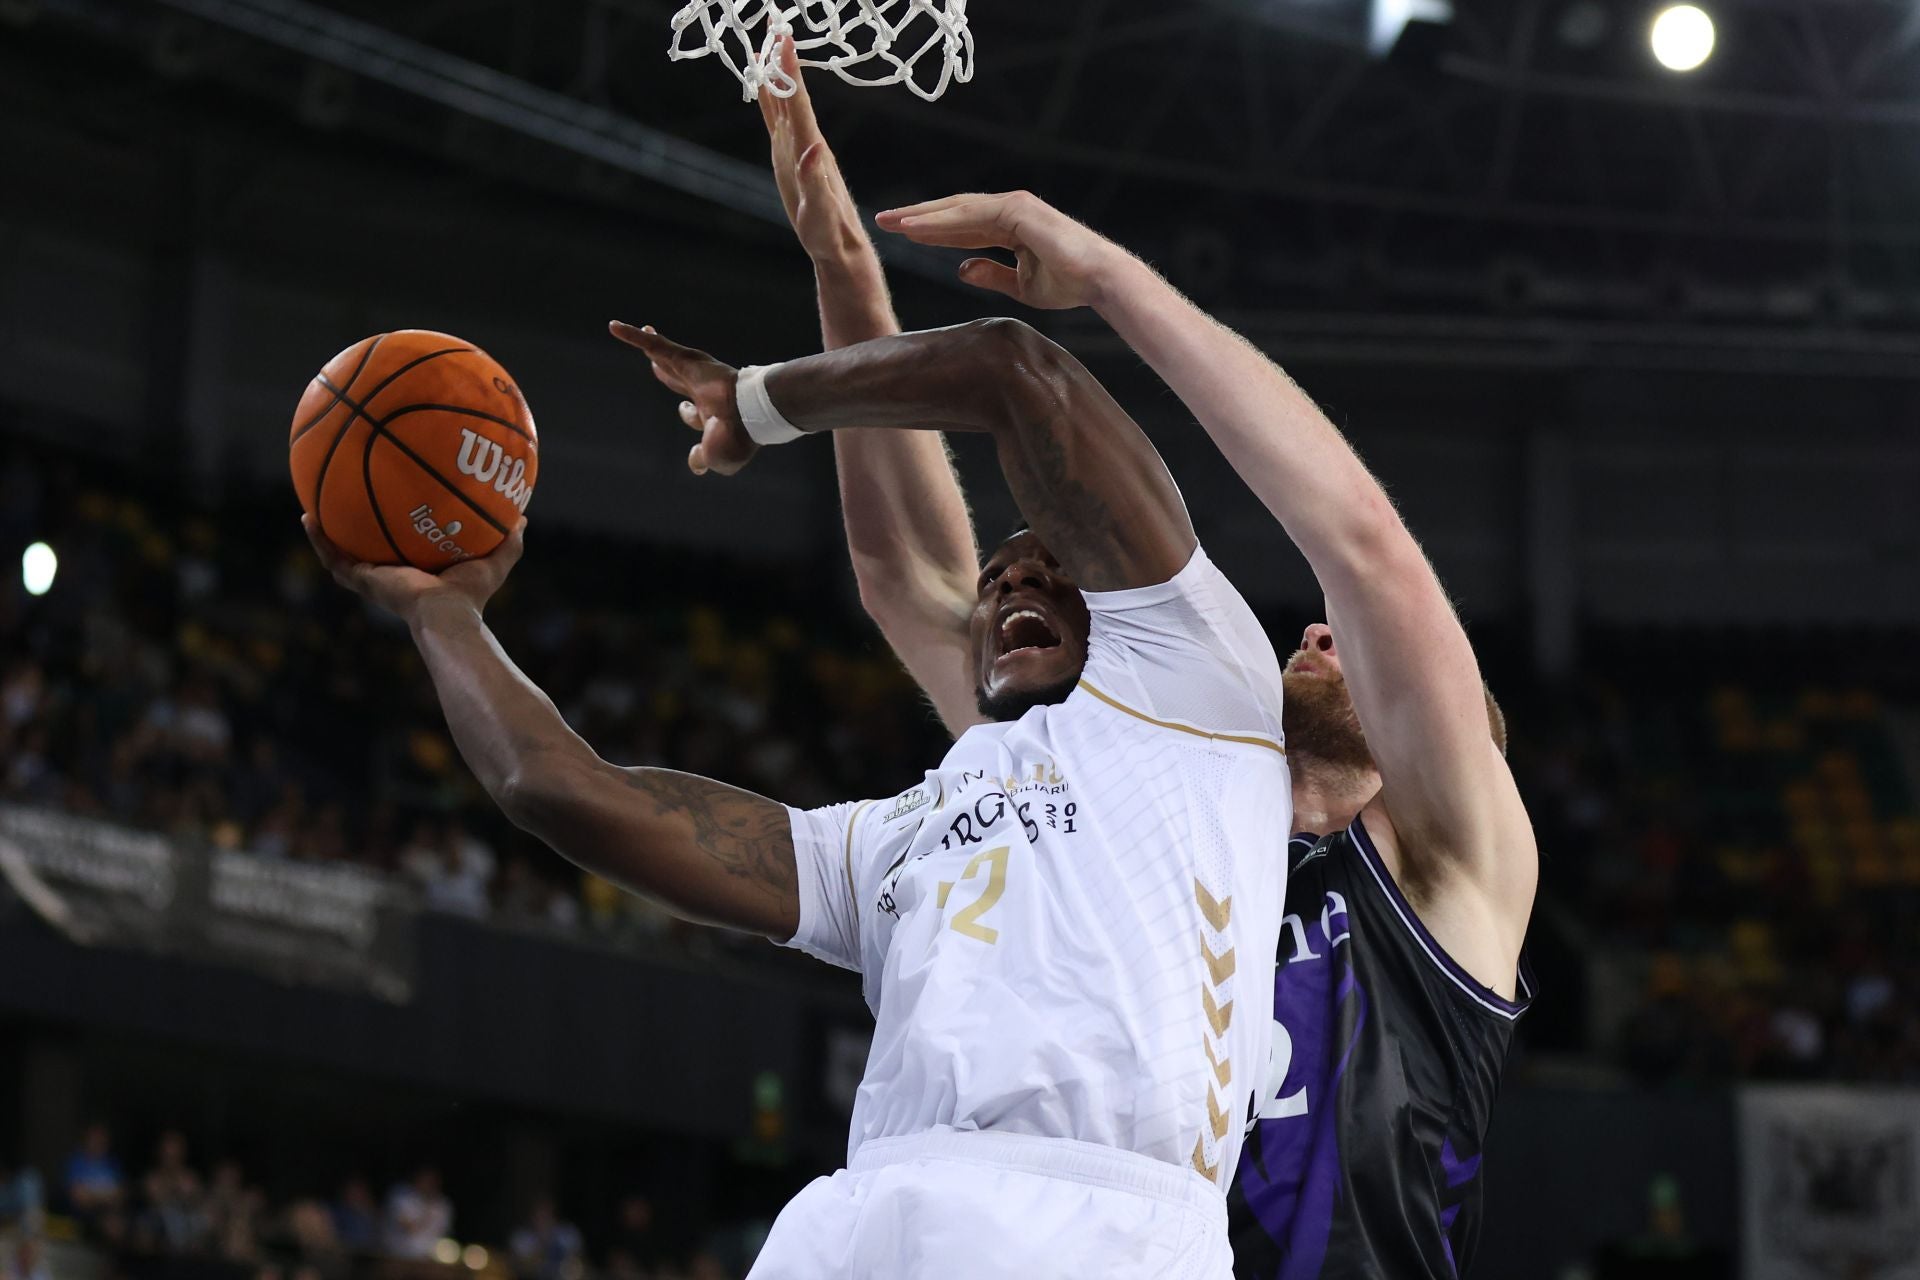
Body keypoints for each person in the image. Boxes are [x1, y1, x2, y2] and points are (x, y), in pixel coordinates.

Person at [303, 134, 1292, 1278]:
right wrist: (441, 613)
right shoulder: (886, 844)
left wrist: (760, 400)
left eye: (1053, 562)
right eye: (996, 576)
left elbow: (1014, 372)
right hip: (860, 1214)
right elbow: (555, 788)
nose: (1017, 575)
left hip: (1097, 1220)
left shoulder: (1198, 684)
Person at [748, 45, 1537, 1277]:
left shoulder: (1455, 872)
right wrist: (844, 268)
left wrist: (1109, 278)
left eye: (1385, 658)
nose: (1320, 630)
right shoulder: (1140, 782)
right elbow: (919, 585)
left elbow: (1364, 548)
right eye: (1312, 627)